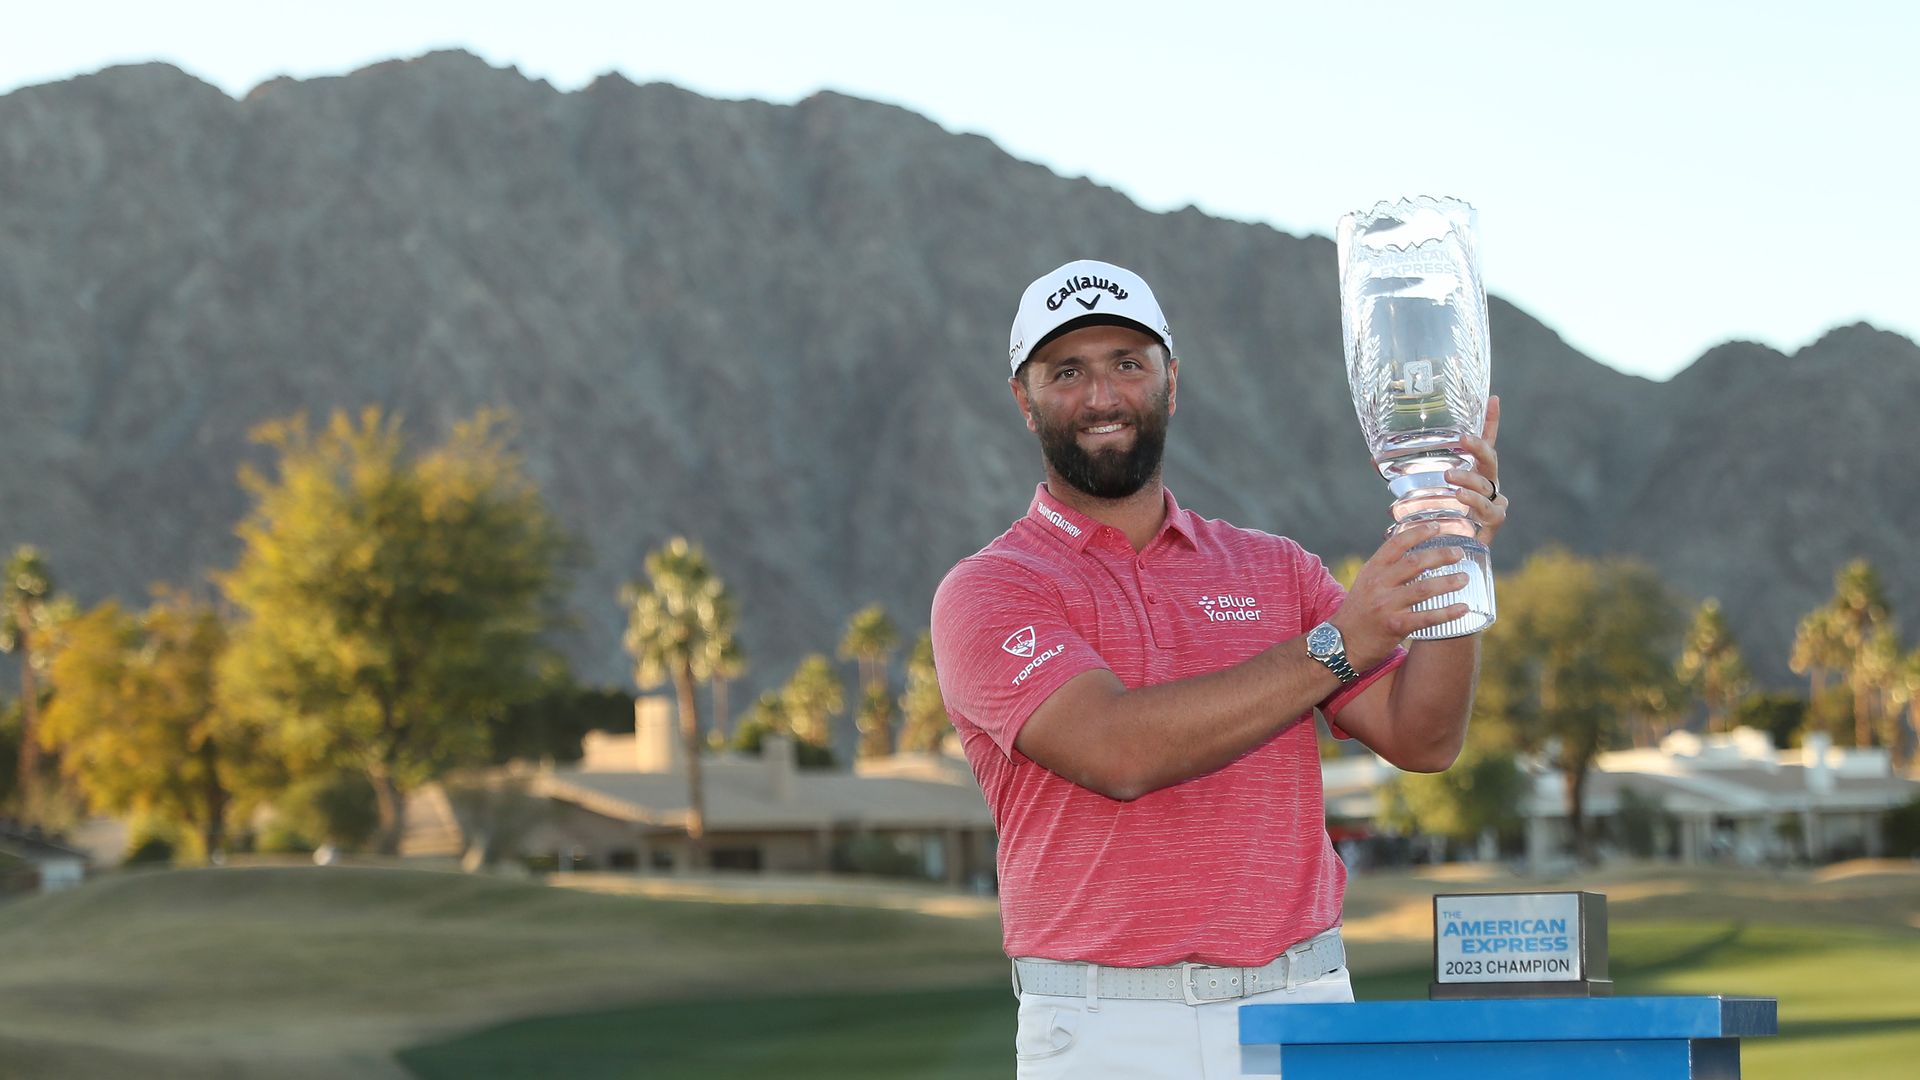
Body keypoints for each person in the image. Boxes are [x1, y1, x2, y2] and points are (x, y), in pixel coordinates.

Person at [930, 259, 1508, 1078]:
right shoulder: (991, 588)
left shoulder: (1276, 569)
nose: (1101, 397)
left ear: (1172, 384)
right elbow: (1117, 752)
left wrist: (1455, 558)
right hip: (1104, 1028)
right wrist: (1336, 644)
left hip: (1301, 1007)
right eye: (1068, 373)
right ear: (1023, 400)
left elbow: (1424, 738)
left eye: (1128, 364)